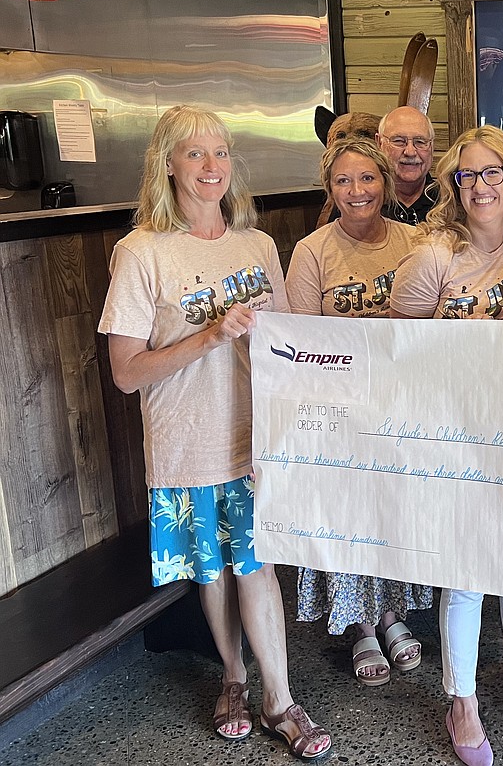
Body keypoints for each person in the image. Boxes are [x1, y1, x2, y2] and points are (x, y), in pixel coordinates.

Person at [99, 105, 331, 760]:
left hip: (253, 440)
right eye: (195, 153)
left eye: (220, 152)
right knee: (215, 569)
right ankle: (233, 676)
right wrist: (208, 335)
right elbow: (124, 372)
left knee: (256, 565)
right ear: (167, 163)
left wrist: (291, 427)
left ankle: (278, 697)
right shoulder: (141, 251)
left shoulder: (256, 245)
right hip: (186, 442)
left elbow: (290, 346)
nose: (211, 166)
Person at [389, 124, 503, 766]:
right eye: (469, 175)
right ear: (453, 186)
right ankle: (461, 699)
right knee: (465, 566)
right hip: (457, 428)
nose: (482, 185)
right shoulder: (436, 254)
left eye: (494, 173)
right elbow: (398, 334)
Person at [286, 139, 430, 686]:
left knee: (393, 512)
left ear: (385, 183)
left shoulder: (417, 242)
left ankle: (394, 614)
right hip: (341, 407)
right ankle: (363, 627)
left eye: (367, 178)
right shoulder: (311, 251)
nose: (357, 191)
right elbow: (300, 341)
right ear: (330, 190)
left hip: (401, 404)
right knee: (354, 519)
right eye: (344, 181)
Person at [376, 105, 440, 225]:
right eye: (399, 141)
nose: (410, 152)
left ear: (432, 146)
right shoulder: (364, 203)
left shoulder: (449, 204)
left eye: (420, 142)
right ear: (379, 143)